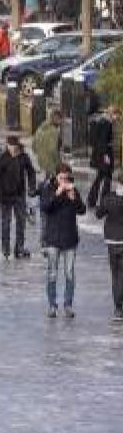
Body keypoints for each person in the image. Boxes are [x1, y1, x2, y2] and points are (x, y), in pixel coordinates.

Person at [39, 163, 86, 318]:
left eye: (67, 178)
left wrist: (74, 199)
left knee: (69, 273)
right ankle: (52, 305)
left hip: (70, 238)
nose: (64, 181)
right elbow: (45, 207)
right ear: (56, 176)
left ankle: (68, 304)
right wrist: (58, 193)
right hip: (53, 239)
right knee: (52, 273)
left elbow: (82, 210)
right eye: (61, 178)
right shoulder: (49, 189)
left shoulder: (73, 190)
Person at [0, 135, 37, 259]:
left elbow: (31, 172)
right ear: (7, 146)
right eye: (10, 147)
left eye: (15, 147)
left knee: (21, 221)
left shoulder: (23, 157)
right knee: (6, 222)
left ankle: (19, 247)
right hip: (5, 196)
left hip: (19, 195)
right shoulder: (1, 159)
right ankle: (6, 248)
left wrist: (32, 187)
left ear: (18, 146)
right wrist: (0, 195)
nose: (13, 149)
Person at [95, 180, 123, 319]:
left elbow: (98, 214)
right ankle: (119, 306)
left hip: (112, 240)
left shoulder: (109, 198)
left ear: (117, 183)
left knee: (116, 274)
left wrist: (102, 200)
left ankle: (118, 307)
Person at [88, 106, 117, 208]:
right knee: (107, 178)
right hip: (105, 154)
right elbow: (104, 140)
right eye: (115, 115)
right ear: (111, 113)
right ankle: (104, 202)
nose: (116, 117)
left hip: (99, 153)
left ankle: (92, 200)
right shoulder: (107, 123)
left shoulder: (100, 121)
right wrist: (106, 155)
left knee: (100, 177)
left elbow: (96, 140)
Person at [33, 110, 63, 181]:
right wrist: (59, 163)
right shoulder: (54, 131)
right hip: (51, 161)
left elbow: (33, 145)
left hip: (41, 159)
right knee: (53, 180)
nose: (61, 122)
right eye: (60, 119)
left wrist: (40, 154)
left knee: (46, 178)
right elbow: (53, 149)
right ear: (56, 119)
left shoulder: (41, 127)